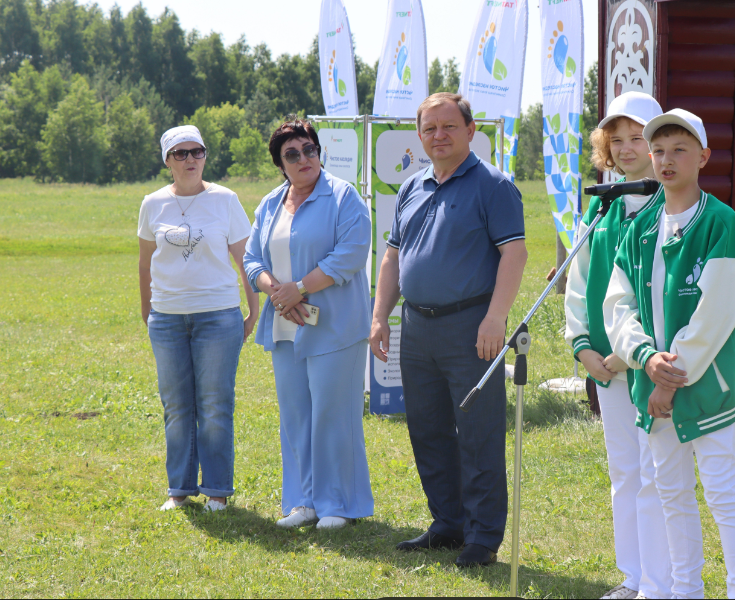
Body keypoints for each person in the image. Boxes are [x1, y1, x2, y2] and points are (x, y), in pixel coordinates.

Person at [604, 109, 735, 598]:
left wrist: (670, 377)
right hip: (653, 382)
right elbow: (619, 304)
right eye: (659, 151)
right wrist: (645, 358)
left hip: (707, 387)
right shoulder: (640, 228)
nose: (666, 160)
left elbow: (717, 312)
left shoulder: (721, 224)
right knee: (672, 495)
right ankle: (685, 592)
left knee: (721, 492)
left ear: (704, 157)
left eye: (679, 150)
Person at [370, 93, 528, 567]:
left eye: (448, 127)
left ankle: (482, 538)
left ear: (470, 129)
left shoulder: (494, 186)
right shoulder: (411, 186)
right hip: (416, 327)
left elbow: (514, 255)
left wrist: (495, 318)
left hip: (471, 326)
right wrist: (381, 315)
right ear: (419, 136)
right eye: (429, 128)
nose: (438, 136)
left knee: (478, 433)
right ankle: (448, 523)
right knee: (428, 429)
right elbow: (393, 257)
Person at [564, 92, 673, 600]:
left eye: (638, 137)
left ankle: (661, 583)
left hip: (650, 366)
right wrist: (584, 348)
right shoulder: (600, 207)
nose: (627, 149)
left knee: (657, 475)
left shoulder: (670, 206)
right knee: (624, 472)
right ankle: (632, 578)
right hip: (604, 367)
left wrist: (631, 353)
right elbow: (579, 283)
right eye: (618, 139)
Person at [243, 117, 374, 530]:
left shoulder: (343, 197)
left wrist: (298, 287)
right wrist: (276, 291)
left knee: (335, 416)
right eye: (292, 154)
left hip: (335, 327)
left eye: (310, 150)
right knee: (295, 415)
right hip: (284, 326)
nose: (304, 159)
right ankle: (303, 502)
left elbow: (350, 255)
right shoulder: (269, 204)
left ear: (320, 153)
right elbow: (251, 260)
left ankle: (338, 504)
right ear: (280, 164)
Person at [138, 125, 258, 512]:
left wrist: (252, 310)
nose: (190, 159)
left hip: (218, 316)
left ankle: (218, 491)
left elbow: (246, 259)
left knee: (215, 404)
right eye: (180, 153)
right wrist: (148, 310)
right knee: (176, 405)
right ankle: (179, 490)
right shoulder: (152, 204)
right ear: (167, 161)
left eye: (197, 152)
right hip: (168, 318)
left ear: (205, 156)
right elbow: (145, 263)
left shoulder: (225, 200)